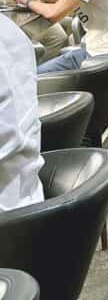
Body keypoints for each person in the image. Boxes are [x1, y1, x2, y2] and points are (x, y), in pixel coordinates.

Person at [0, 14, 44, 212]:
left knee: (58, 38)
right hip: (26, 191)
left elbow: (54, 13)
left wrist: (29, 1)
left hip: (8, 214)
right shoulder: (10, 27)